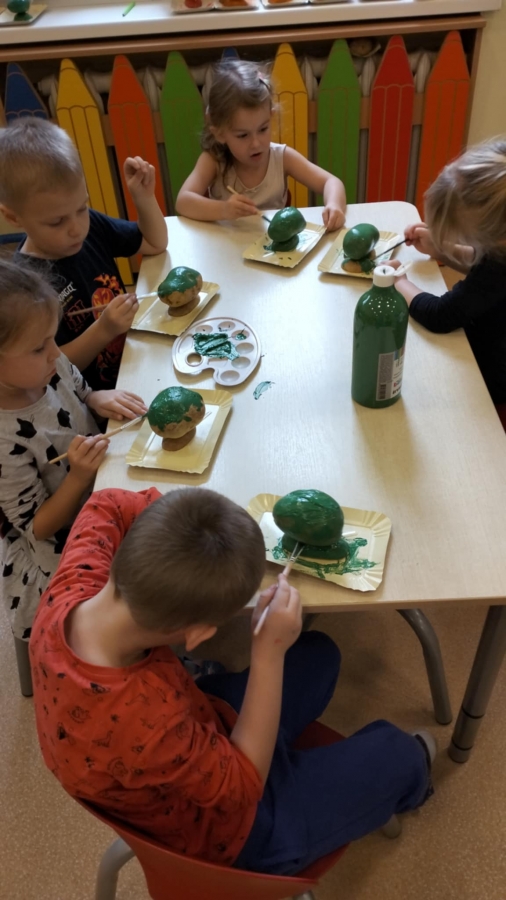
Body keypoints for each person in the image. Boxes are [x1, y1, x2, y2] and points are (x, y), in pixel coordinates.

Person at [31, 485, 434, 876]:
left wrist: (190, 530)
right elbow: (243, 786)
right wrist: (267, 654)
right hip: (235, 831)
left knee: (319, 654)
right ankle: (409, 771)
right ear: (198, 635)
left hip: (200, 730)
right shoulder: (150, 722)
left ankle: (296, 762)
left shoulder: (78, 578)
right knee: (399, 755)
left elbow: (105, 503)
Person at [0, 259, 146, 641]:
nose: (55, 352)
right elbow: (38, 527)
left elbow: (79, 389)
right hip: (66, 537)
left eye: (52, 337)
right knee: (139, 599)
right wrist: (79, 477)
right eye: (38, 348)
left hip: (102, 483)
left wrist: (95, 398)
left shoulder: (49, 364)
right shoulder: (4, 439)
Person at [0, 118, 168, 392]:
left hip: (135, 363)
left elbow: (155, 242)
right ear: (13, 217)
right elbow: (53, 366)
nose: (76, 228)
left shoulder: (91, 226)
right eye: (57, 222)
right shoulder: (27, 287)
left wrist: (144, 197)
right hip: (98, 397)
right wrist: (104, 330)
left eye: (81, 208)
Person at [391, 138, 506, 428]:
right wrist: (441, 249)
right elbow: (481, 263)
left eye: (465, 236)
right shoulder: (499, 250)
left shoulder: (498, 268)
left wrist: (398, 280)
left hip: (491, 386)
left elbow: (440, 315)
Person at [176, 59, 346, 231]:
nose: (256, 143)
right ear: (220, 134)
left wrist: (334, 205)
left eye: (263, 129)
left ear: (271, 117)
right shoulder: (213, 161)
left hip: (273, 245)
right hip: (227, 245)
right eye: (243, 135)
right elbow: (183, 201)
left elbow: (331, 182)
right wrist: (224, 210)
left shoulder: (282, 158)